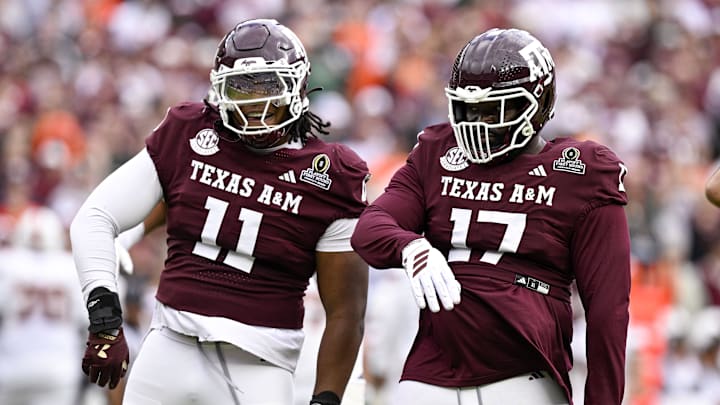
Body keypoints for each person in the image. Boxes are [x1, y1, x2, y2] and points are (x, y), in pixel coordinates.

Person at [70, 18, 370, 405]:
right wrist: (106, 324)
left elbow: (346, 311)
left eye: (267, 86)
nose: (254, 104)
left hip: (259, 365)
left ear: (297, 85)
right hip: (169, 348)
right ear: (218, 89)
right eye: (241, 88)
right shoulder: (190, 132)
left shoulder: (331, 176)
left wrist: (326, 398)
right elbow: (94, 217)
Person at [350, 28, 631, 405]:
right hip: (430, 374)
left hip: (523, 376)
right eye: (470, 108)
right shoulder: (437, 152)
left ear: (540, 102)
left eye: (497, 108)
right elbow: (369, 228)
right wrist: (411, 247)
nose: (479, 122)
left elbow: (607, 311)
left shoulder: (581, 172)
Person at [0, 206, 86, 405]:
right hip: (58, 367)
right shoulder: (71, 267)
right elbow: (85, 322)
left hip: (12, 367)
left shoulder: (6, 263)